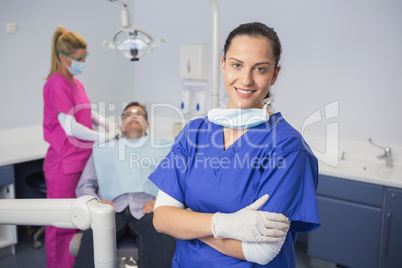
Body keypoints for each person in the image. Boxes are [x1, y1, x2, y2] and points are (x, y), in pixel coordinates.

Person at [149, 22, 321, 267]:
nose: (246, 79)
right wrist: (225, 225)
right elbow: (162, 218)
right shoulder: (195, 132)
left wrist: (188, 223)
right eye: (237, 65)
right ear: (223, 66)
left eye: (260, 69)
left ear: (274, 75)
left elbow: (262, 251)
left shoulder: (287, 147)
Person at [74, 102, 177, 268]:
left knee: (162, 246)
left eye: (139, 114)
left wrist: (160, 202)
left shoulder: (163, 149)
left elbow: (176, 184)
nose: (134, 116)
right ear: (122, 125)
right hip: (110, 210)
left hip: (149, 209)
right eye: (129, 114)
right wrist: (96, 203)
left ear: (148, 124)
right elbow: (84, 185)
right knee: (91, 244)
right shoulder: (104, 150)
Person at [43, 26, 112, 268]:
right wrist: (101, 137)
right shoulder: (55, 84)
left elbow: (85, 111)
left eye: (85, 57)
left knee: (83, 218)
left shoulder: (75, 82)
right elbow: (70, 126)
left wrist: (105, 122)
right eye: (79, 58)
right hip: (64, 164)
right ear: (63, 57)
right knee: (62, 224)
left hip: (82, 160)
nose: (83, 62)